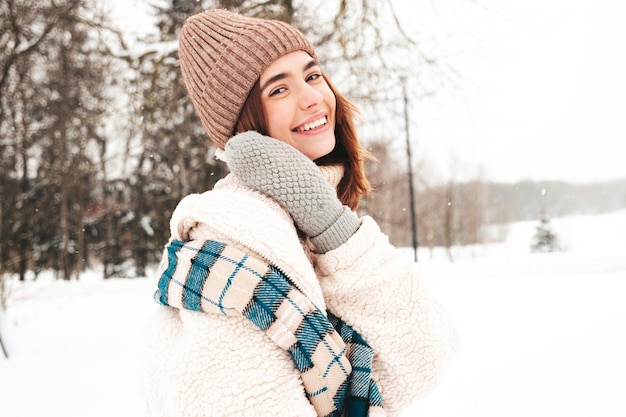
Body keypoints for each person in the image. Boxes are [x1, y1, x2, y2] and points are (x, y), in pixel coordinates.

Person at [140, 8, 459, 417]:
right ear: (244, 128)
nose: (313, 96)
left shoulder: (314, 224)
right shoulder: (232, 242)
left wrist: (335, 227)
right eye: (278, 90)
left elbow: (424, 356)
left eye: (311, 75)